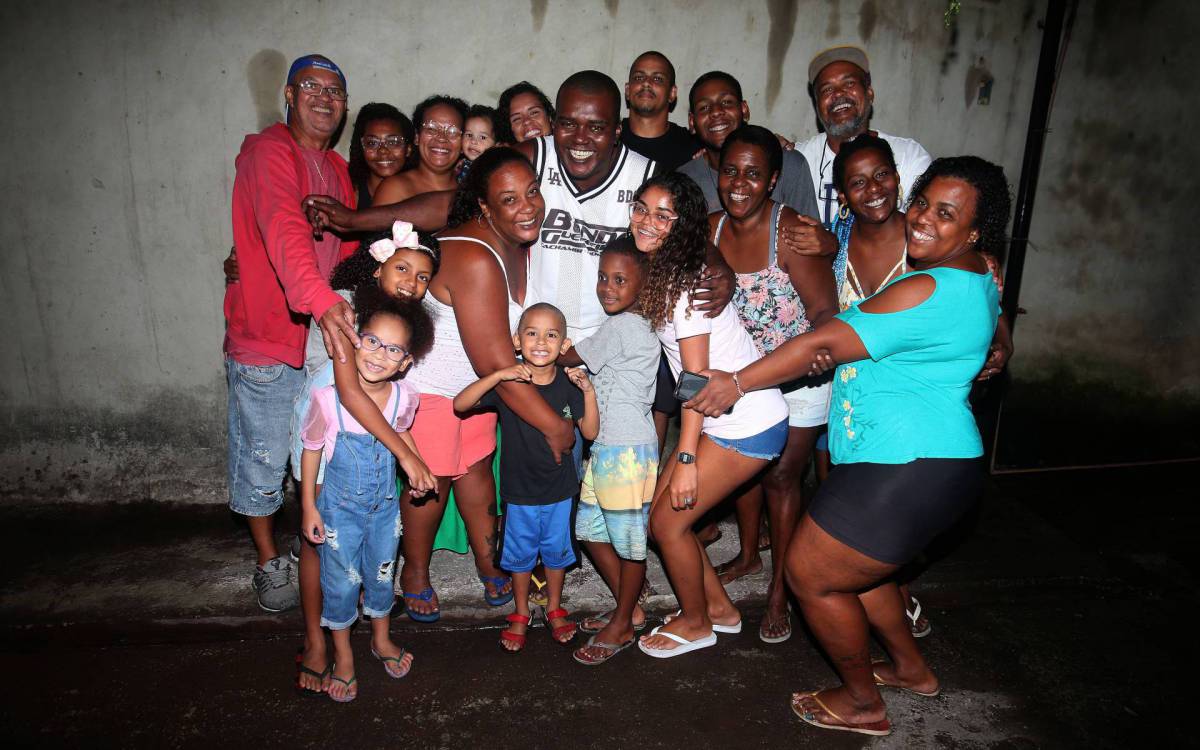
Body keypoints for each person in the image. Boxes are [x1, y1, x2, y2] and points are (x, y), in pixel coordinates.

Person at [688, 156, 1011, 737]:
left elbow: (828, 339)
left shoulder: (927, 286)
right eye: (922, 204)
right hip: (930, 461)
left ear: (975, 231)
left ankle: (862, 701)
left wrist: (736, 383)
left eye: (946, 214)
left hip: (908, 464)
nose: (922, 221)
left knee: (811, 572)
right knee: (866, 571)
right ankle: (911, 669)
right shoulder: (978, 280)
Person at [392, 147, 574, 622]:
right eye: (509, 200)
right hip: (433, 395)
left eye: (532, 192)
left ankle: (487, 562)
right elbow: (495, 359)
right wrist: (554, 426)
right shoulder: (475, 256)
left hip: (478, 394)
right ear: (485, 208)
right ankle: (414, 573)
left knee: (475, 481)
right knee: (429, 487)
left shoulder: (513, 243)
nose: (528, 206)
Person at [624, 172, 788, 658]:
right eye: (641, 208)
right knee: (663, 519)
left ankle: (696, 623)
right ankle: (718, 610)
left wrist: (688, 459)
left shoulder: (685, 283)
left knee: (669, 525)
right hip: (719, 419)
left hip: (746, 423)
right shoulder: (665, 269)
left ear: (683, 225)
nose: (646, 222)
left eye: (662, 215)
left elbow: (694, 380)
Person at [223, 53, 360, 613]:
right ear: (288, 92)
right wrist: (321, 302)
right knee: (260, 454)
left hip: (321, 330)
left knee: (320, 452)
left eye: (335, 91)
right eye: (312, 87)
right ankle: (265, 559)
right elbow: (282, 227)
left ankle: (318, 548)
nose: (324, 98)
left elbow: (346, 249)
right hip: (270, 330)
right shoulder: (269, 152)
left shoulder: (340, 170)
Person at [291, 220, 439, 693]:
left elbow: (399, 424)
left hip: (377, 495)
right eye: (402, 269)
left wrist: (414, 461)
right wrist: (410, 459)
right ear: (378, 267)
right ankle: (325, 643)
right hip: (329, 422)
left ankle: (379, 637)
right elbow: (350, 394)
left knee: (376, 567)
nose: (412, 283)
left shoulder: (399, 371)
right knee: (326, 556)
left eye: (422, 277)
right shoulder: (350, 311)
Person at [708, 125, 837, 644]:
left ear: (774, 180)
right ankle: (746, 554)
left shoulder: (793, 233)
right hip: (740, 377)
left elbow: (825, 311)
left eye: (753, 174)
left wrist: (815, 356)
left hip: (799, 375)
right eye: (730, 171)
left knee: (781, 477)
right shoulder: (712, 229)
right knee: (742, 472)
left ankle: (781, 588)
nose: (740, 183)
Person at [454, 303, 598, 651]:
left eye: (552, 335)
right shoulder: (512, 385)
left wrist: (589, 392)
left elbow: (590, 432)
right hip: (518, 492)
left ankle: (553, 607)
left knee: (556, 553)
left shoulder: (568, 386)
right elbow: (460, 405)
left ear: (564, 345)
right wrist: (496, 375)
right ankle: (520, 612)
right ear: (517, 340)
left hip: (561, 490)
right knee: (518, 556)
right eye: (532, 332)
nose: (541, 341)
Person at [552, 238, 660, 665]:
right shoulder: (627, 324)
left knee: (630, 544)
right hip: (610, 447)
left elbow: (572, 356)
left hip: (626, 450)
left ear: (643, 283)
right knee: (592, 532)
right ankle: (627, 606)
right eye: (602, 277)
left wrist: (544, 342)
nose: (607, 287)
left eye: (620, 279)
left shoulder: (624, 327)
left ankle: (623, 626)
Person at [797, 45, 932, 229]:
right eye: (827, 90)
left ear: (869, 93)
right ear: (817, 106)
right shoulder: (798, 159)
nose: (838, 94)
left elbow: (922, 229)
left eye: (849, 83)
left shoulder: (909, 156)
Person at [373, 95, 468, 204]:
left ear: (463, 143)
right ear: (417, 137)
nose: (441, 138)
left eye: (452, 132)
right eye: (431, 129)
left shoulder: (471, 190)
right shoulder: (394, 189)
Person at [619, 51, 701, 173]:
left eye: (658, 79)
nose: (646, 83)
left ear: (672, 93)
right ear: (627, 90)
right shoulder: (608, 138)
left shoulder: (692, 148)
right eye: (638, 77)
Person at [348, 103, 414, 208]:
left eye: (393, 142)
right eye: (372, 143)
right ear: (362, 148)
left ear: (408, 149)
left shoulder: (420, 193)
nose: (383, 150)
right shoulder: (351, 192)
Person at [459, 104, 499, 180]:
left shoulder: (493, 170)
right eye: (469, 135)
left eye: (482, 137)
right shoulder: (461, 165)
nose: (473, 141)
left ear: (495, 146)